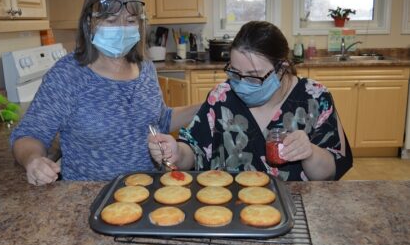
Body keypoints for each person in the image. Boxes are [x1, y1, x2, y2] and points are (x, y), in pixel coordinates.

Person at [10, 0, 200, 185]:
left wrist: (208, 103)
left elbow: (159, 119)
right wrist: (33, 160)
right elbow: (28, 135)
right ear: (89, 22)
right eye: (110, 21)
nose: (121, 28)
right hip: (88, 199)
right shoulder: (67, 75)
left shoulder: (145, 68)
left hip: (145, 193)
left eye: (130, 21)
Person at [148, 21, 352, 181]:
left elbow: (329, 174)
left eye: (254, 76)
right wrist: (176, 153)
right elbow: (193, 152)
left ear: (282, 68)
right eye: (235, 73)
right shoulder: (221, 97)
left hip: (295, 210)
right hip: (228, 210)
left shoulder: (315, 98)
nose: (242, 84)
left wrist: (309, 153)